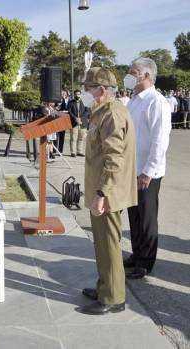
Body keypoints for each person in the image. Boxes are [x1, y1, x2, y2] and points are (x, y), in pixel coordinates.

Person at [79, 67, 137, 315]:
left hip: (108, 192)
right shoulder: (101, 112)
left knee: (110, 244)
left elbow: (114, 159)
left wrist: (102, 194)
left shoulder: (112, 114)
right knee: (102, 244)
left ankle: (113, 297)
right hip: (102, 190)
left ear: (101, 90)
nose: (84, 92)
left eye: (88, 88)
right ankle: (105, 287)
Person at [123, 57, 172, 279]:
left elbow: (160, 141)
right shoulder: (133, 101)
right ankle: (136, 253)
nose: (129, 75)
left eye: (133, 72)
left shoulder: (157, 101)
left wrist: (148, 172)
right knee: (134, 215)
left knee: (147, 217)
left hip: (147, 173)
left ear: (146, 76)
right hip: (131, 169)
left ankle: (146, 262)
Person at [68, 89, 90, 157]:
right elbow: (69, 112)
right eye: (76, 94)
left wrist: (80, 118)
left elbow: (87, 112)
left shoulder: (85, 102)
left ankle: (79, 151)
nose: (77, 95)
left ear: (80, 94)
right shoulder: (70, 102)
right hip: (74, 123)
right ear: (74, 95)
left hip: (82, 123)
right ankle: (73, 152)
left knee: (81, 138)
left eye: (78, 94)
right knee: (73, 138)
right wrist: (75, 118)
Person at [54, 90, 69, 155]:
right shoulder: (55, 100)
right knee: (55, 136)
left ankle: (60, 150)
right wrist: (56, 107)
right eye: (62, 94)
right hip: (56, 120)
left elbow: (67, 109)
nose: (63, 95)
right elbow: (53, 108)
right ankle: (54, 150)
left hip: (63, 121)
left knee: (62, 136)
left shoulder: (66, 101)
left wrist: (65, 102)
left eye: (64, 94)